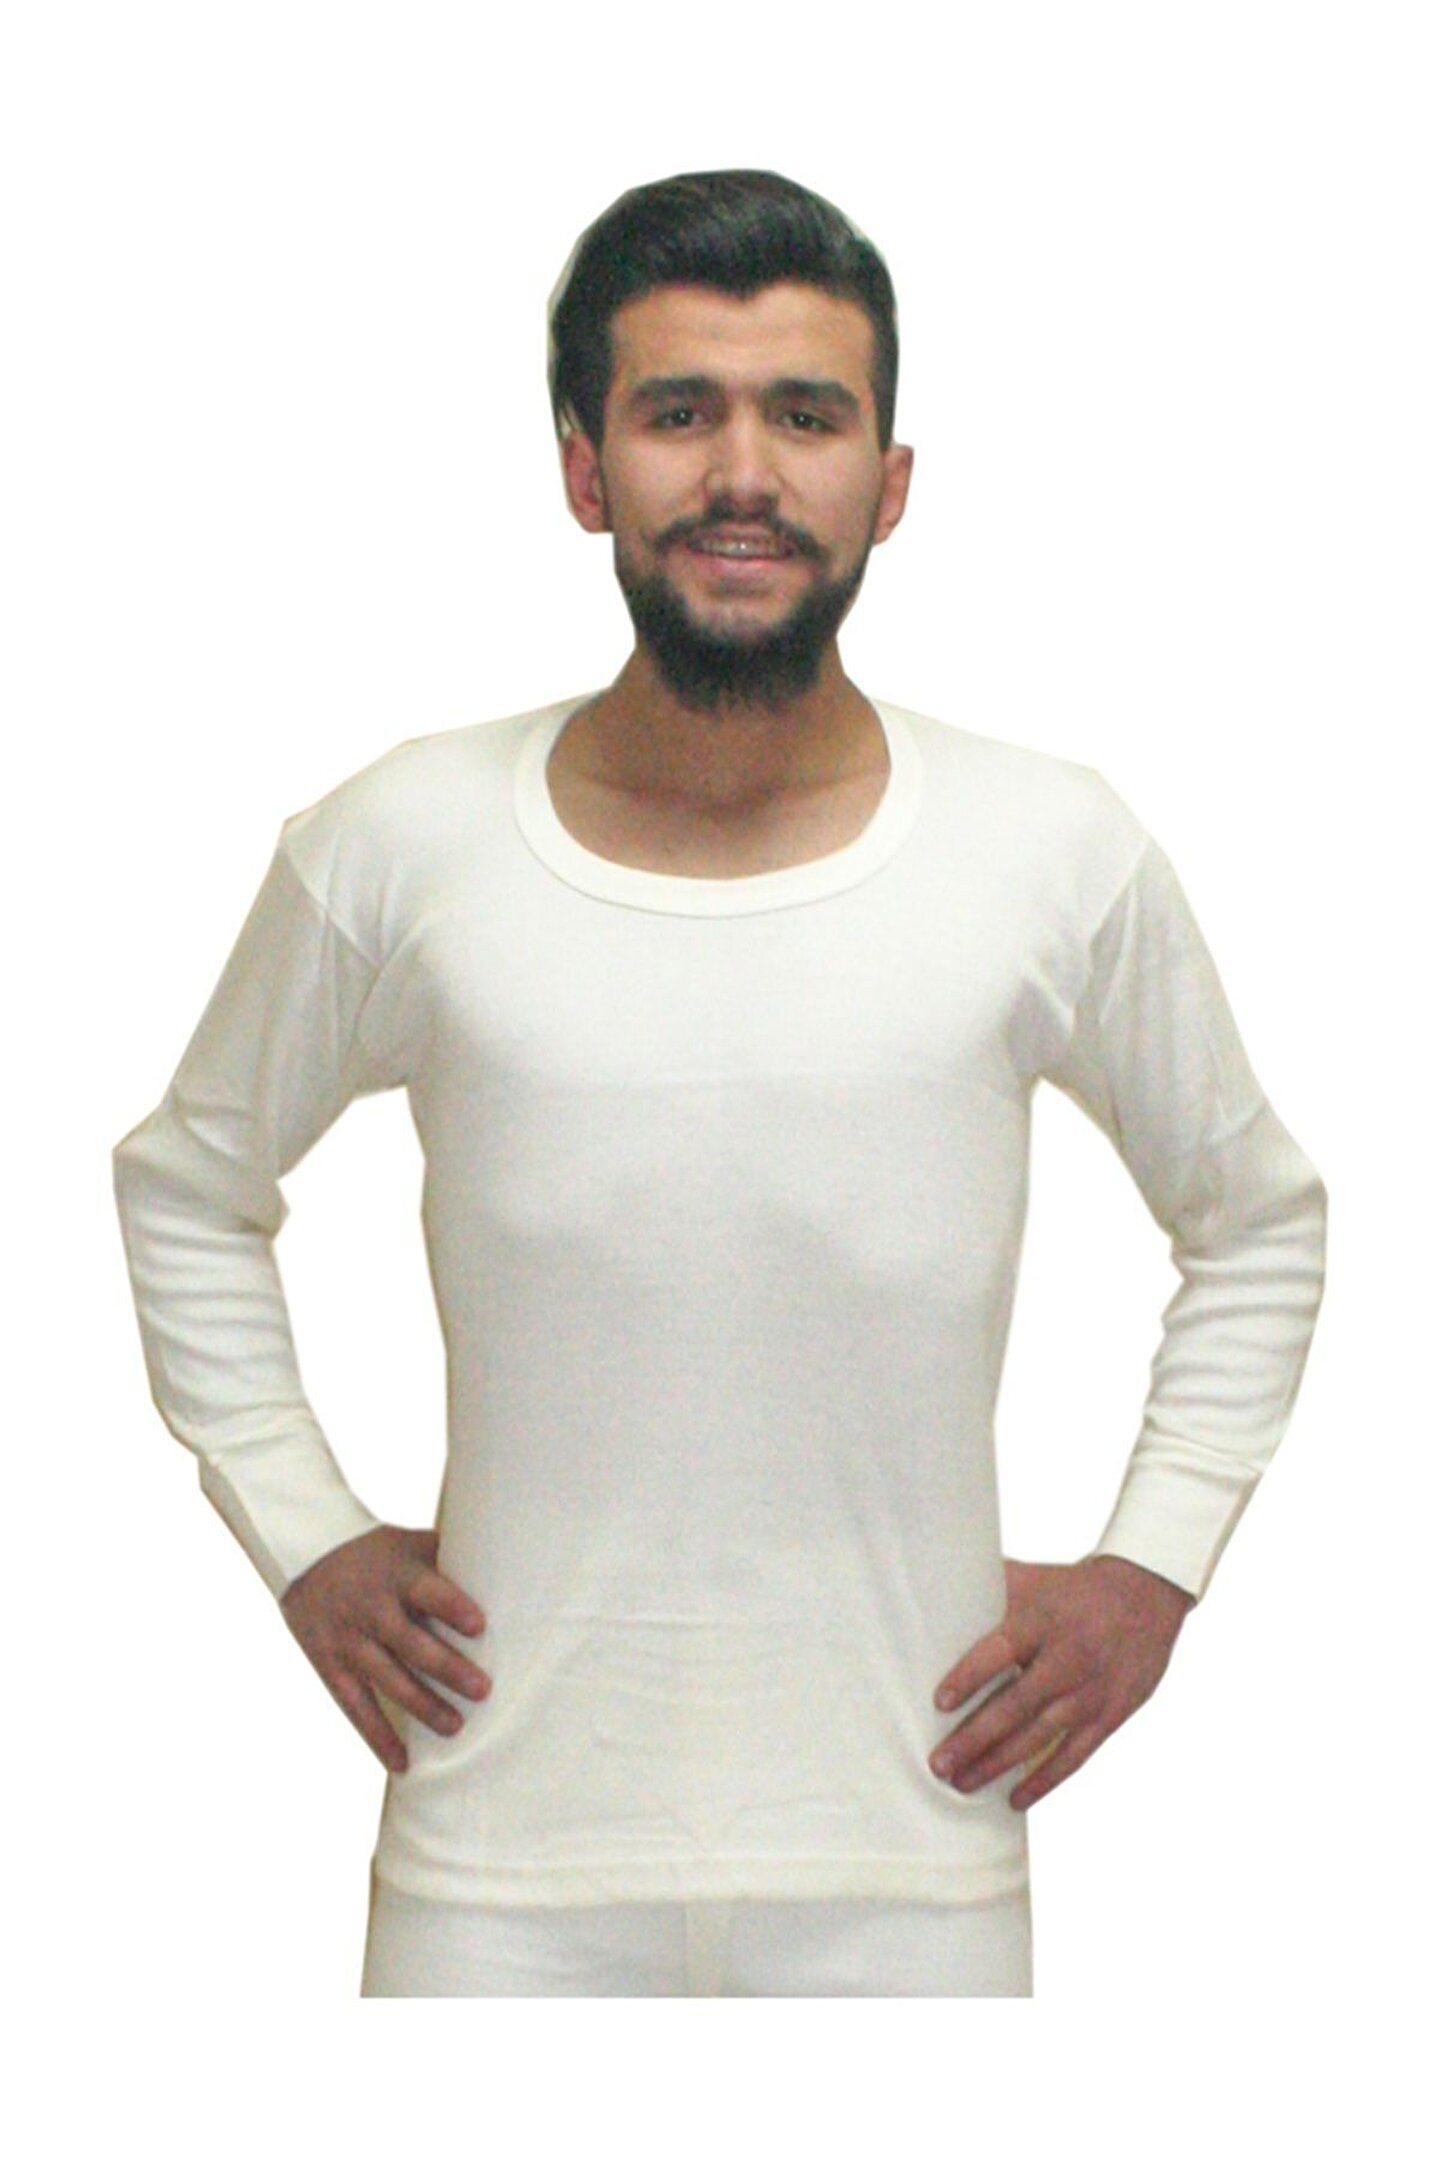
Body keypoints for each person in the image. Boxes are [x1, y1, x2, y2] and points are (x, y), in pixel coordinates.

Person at [112, 169, 1327, 1998]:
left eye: (806, 417)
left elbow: (1258, 1223)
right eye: (680, 413)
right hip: (495, 1877)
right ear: (584, 468)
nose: (743, 475)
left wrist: (1150, 1571)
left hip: (913, 1866)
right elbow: (187, 1188)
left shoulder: (1053, 852)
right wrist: (303, 1533)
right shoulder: (400, 843)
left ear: (889, 484)